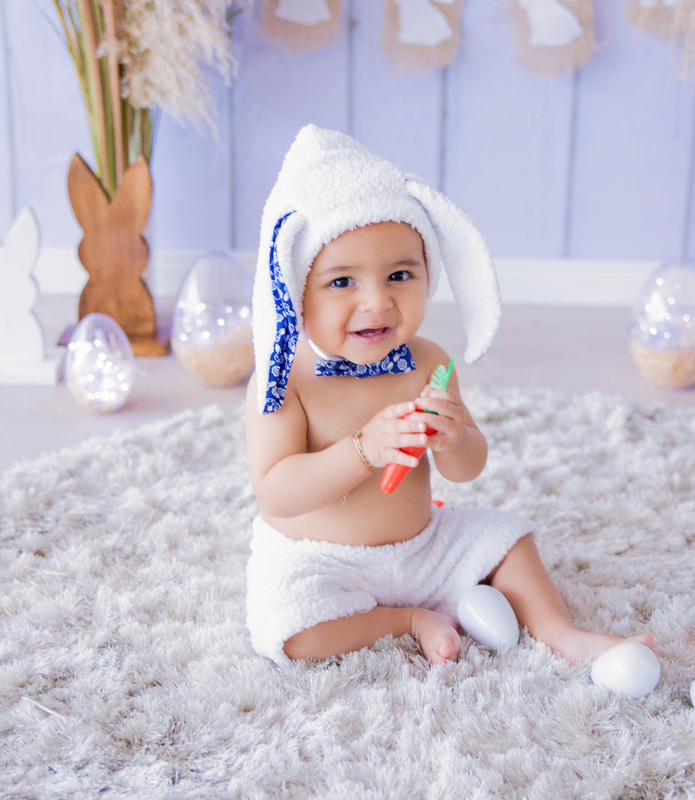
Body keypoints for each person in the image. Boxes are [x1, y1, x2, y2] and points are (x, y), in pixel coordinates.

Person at [244, 125, 652, 667]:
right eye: (342, 283)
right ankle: (405, 619)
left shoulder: (429, 361)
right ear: (294, 290)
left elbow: (466, 471)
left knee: (508, 540)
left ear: (429, 274)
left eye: (399, 275)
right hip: (320, 561)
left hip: (421, 548)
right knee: (286, 630)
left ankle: (561, 633)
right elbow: (276, 492)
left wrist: (455, 438)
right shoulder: (284, 381)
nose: (377, 302)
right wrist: (363, 449)